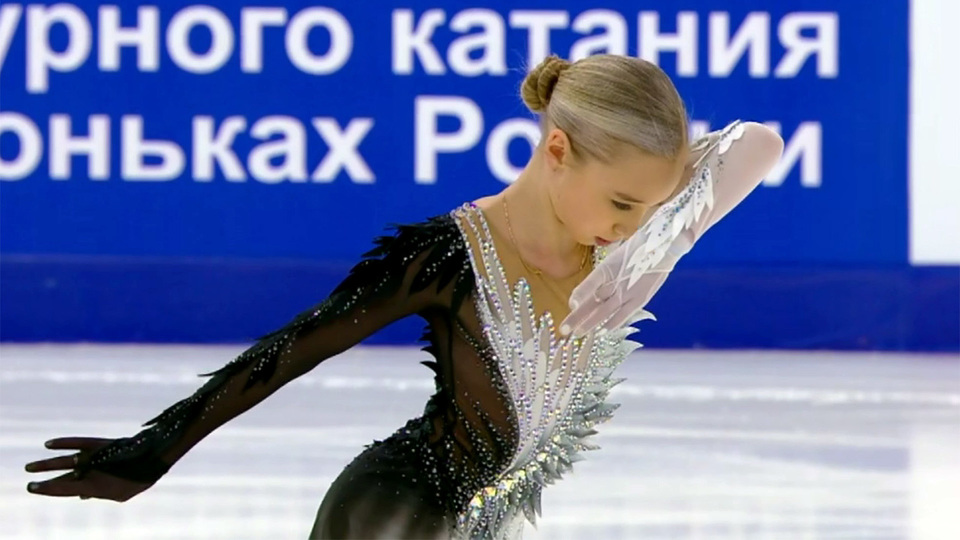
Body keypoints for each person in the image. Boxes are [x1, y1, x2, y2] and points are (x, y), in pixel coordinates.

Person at [23, 54, 784, 539]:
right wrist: (154, 449)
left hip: (481, 516)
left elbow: (760, 143)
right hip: (398, 510)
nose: (634, 227)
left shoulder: (625, 237)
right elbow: (292, 349)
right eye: (623, 205)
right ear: (557, 149)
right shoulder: (446, 256)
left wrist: (657, 251)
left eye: (655, 210)